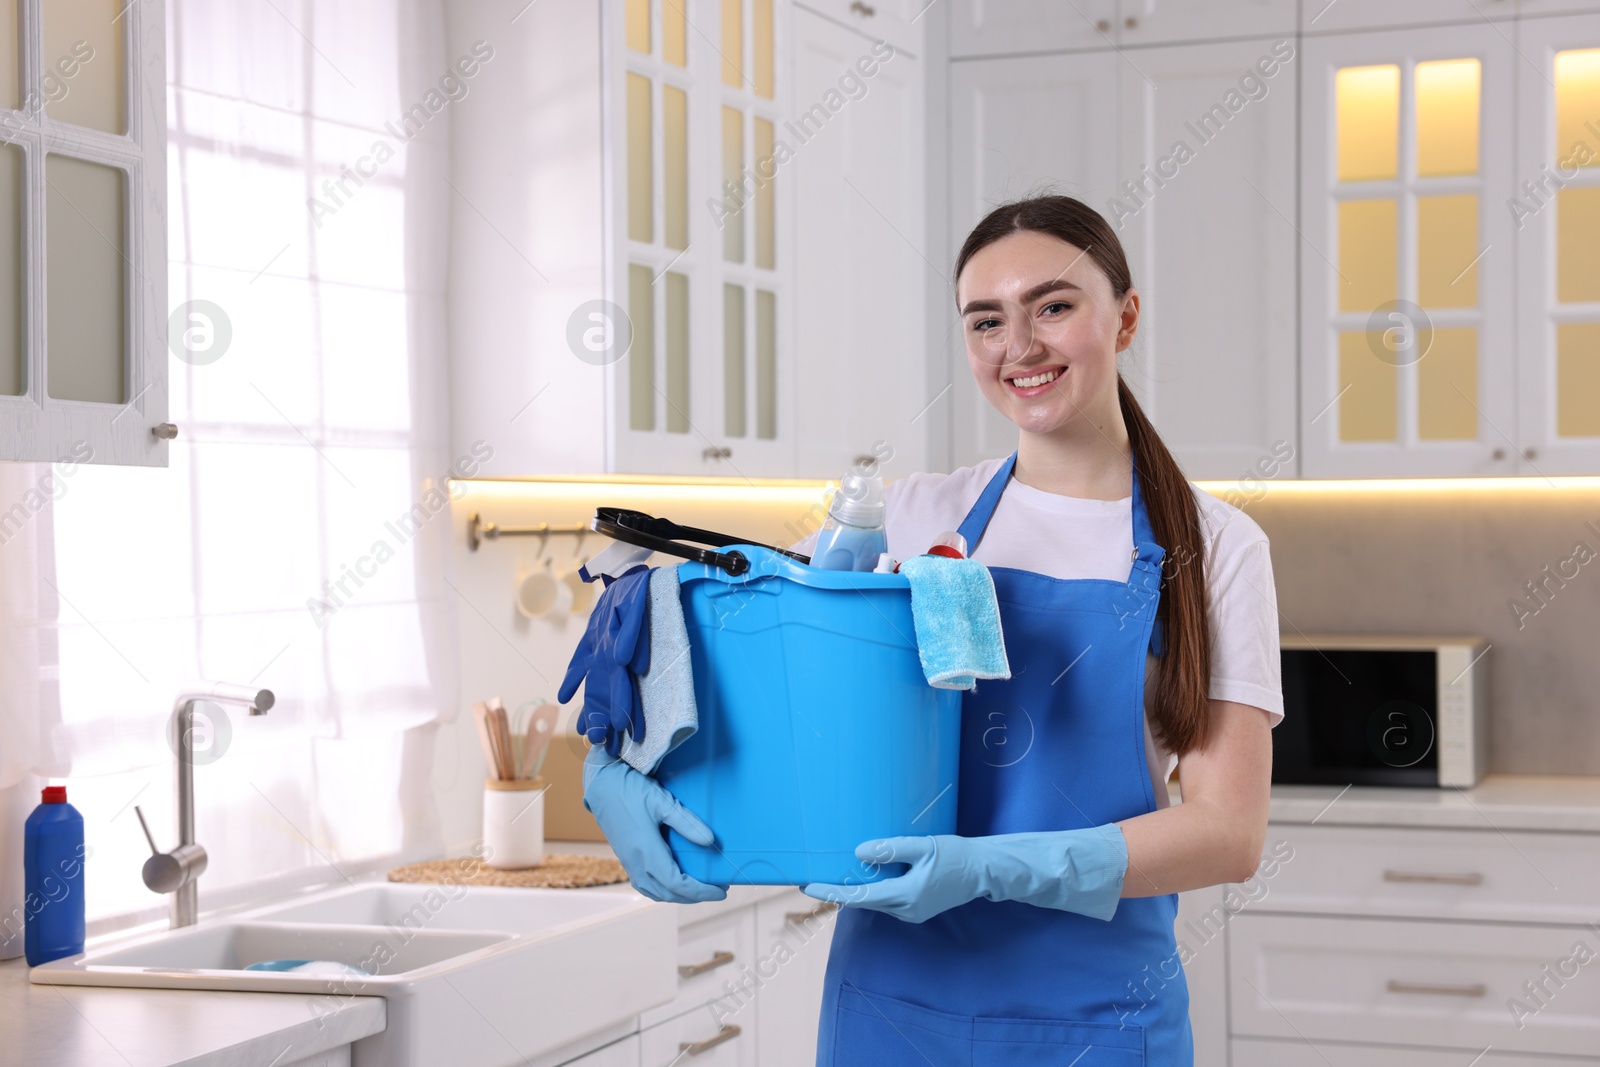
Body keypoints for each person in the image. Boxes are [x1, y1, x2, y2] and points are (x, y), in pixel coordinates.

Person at [582, 194, 1282, 1065]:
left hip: (1099, 1021)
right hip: (891, 1011)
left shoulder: (1212, 547)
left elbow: (1228, 832)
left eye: (1053, 307)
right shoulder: (909, 520)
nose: (1019, 347)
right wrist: (611, 763)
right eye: (987, 321)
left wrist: (993, 869)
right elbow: (719, 650)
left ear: (1126, 316)